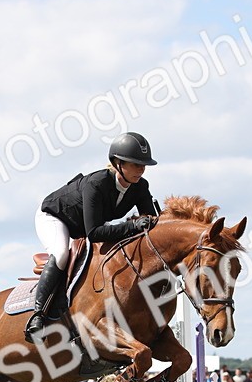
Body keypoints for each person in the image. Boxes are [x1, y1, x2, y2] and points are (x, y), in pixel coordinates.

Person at [25, 132, 160, 342]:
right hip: (55, 217)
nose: (141, 169)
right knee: (61, 253)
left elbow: (150, 222)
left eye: (143, 165)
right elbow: (94, 233)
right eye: (135, 164)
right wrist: (132, 225)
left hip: (84, 226)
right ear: (117, 164)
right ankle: (38, 315)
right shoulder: (96, 184)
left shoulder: (140, 187)